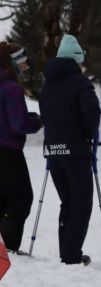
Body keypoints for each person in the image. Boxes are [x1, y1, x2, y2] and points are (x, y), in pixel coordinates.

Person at [38, 34, 100, 265]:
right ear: (77, 60)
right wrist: (88, 135)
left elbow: (46, 115)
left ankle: (67, 251)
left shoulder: (47, 84)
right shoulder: (80, 83)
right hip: (75, 152)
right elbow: (92, 113)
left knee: (67, 202)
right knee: (81, 204)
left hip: (54, 151)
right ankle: (71, 255)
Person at [0, 42, 42, 254]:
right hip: (8, 151)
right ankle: (9, 248)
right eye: (22, 62)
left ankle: (4, 248)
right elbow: (19, 124)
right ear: (12, 63)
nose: (25, 66)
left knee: (3, 198)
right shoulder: (12, 89)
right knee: (22, 198)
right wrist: (37, 121)